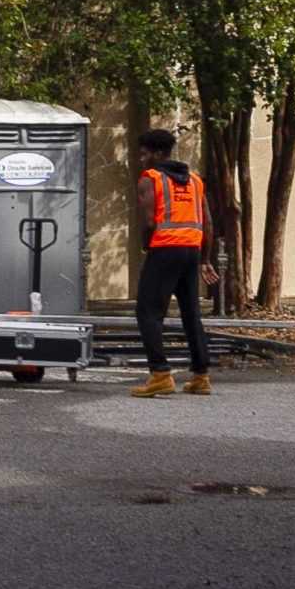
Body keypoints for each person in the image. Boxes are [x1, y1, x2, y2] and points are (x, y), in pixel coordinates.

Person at [131, 128, 217, 399]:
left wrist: (146, 244)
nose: (141, 159)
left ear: (157, 154)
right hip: (191, 250)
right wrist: (205, 259)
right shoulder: (194, 180)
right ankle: (201, 376)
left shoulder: (151, 179)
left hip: (165, 249)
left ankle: (160, 374)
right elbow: (208, 222)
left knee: (148, 312)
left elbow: (148, 221)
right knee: (191, 313)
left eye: (144, 154)